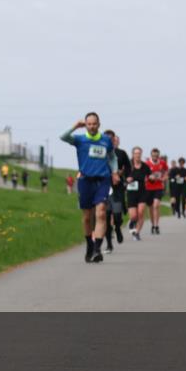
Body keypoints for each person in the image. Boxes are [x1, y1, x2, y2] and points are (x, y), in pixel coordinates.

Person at [60, 113, 117, 263]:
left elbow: (112, 157)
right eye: (89, 124)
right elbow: (62, 136)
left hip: (103, 180)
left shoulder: (106, 140)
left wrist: (115, 172)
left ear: (99, 124)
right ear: (86, 125)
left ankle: (98, 249)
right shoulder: (80, 140)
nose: (92, 126)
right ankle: (89, 246)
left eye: (94, 124)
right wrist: (75, 126)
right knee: (86, 218)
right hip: (85, 181)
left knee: (101, 214)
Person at [103, 131, 130, 252]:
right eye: (107, 138)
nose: (110, 140)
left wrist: (124, 174)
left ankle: (118, 227)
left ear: (114, 139)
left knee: (117, 215)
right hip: (104, 187)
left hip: (117, 187)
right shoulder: (100, 152)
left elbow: (128, 168)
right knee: (107, 216)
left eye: (111, 139)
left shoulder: (121, 153)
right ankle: (109, 243)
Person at [125, 146, 151, 241]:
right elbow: (123, 177)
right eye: (136, 153)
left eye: (139, 153)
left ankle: (137, 233)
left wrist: (152, 178)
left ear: (141, 154)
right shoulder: (128, 166)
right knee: (133, 215)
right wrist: (127, 179)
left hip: (142, 192)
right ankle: (132, 222)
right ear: (133, 154)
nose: (137, 155)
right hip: (131, 192)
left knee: (140, 213)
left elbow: (150, 176)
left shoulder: (145, 166)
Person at [144, 148, 169, 235]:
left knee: (156, 206)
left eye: (157, 155)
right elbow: (143, 174)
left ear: (159, 155)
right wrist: (148, 177)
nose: (155, 157)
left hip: (158, 187)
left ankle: (156, 225)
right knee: (151, 208)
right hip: (148, 188)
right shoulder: (147, 163)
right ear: (151, 155)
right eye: (153, 155)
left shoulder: (162, 163)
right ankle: (152, 224)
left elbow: (166, 171)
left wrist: (164, 178)